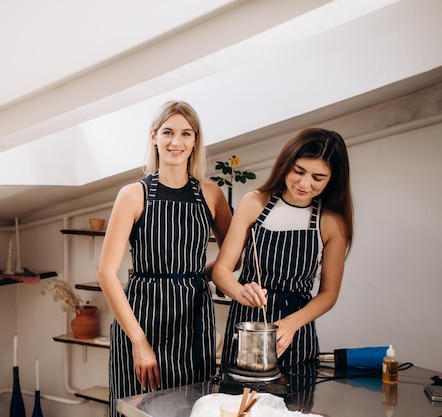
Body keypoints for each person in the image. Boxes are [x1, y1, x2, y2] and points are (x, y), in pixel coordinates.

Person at [96, 101, 232, 416]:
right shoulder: (133, 194)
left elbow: (232, 254)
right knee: (137, 408)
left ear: (195, 140)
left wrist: (197, 276)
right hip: (142, 319)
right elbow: (106, 274)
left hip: (194, 324)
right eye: (168, 132)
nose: (176, 142)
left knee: (192, 407)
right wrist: (139, 342)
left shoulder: (211, 194)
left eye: (186, 133)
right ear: (154, 136)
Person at [212, 128, 353, 369]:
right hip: (247, 322)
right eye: (298, 171)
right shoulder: (254, 203)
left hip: (295, 330)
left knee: (293, 403)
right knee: (239, 403)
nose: (304, 183)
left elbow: (329, 294)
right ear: (286, 164)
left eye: (318, 178)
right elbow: (221, 269)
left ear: (332, 179)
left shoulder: (330, 221)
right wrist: (238, 292)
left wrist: (291, 324)